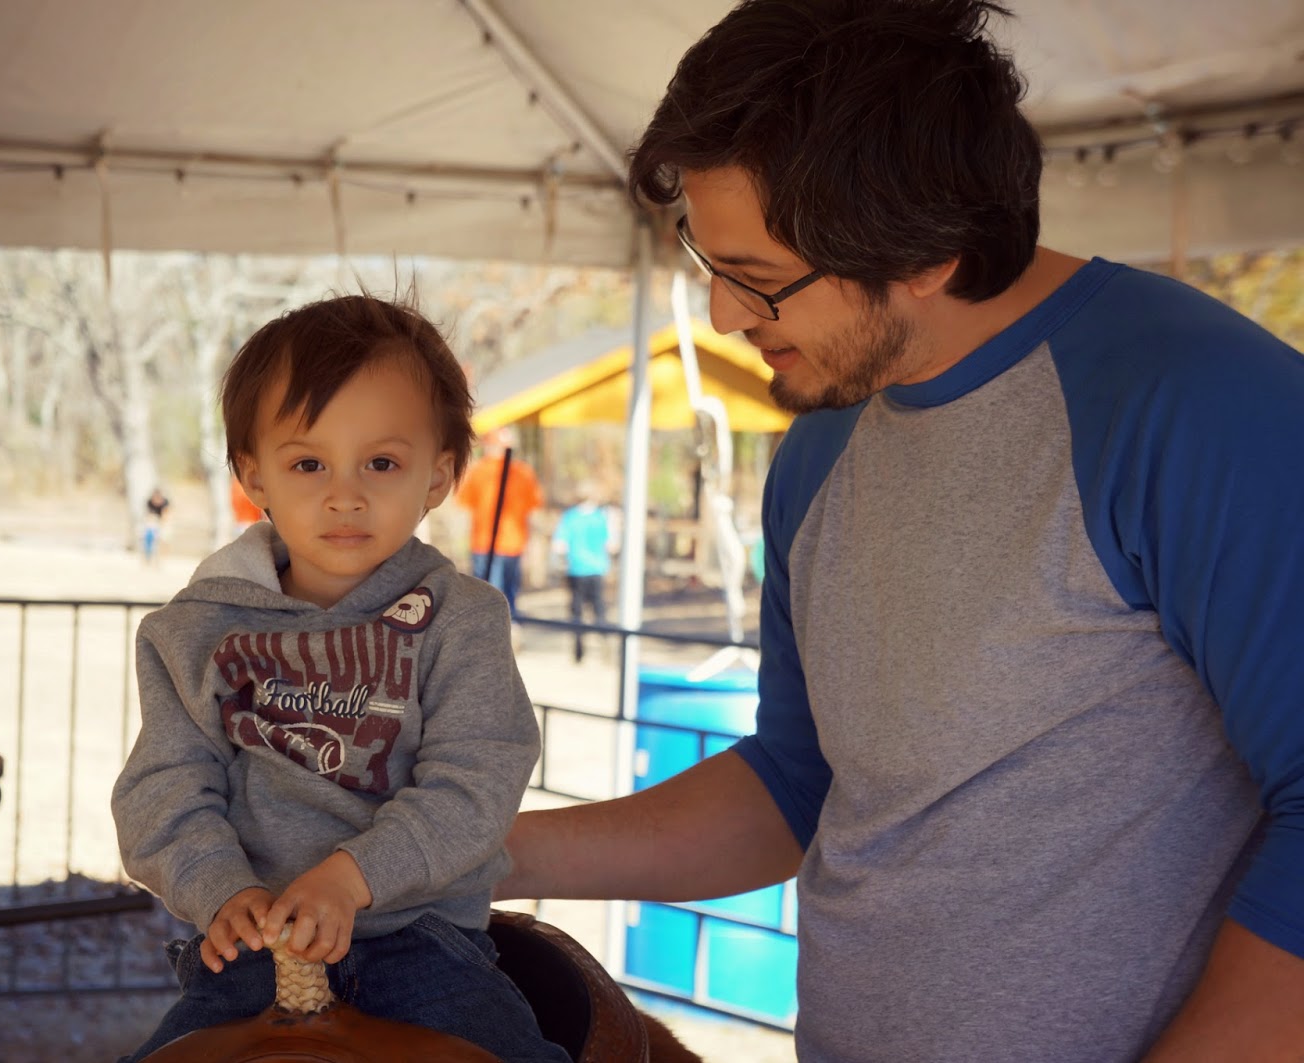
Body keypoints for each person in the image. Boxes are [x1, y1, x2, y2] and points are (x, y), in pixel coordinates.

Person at [496, 2, 1304, 1061]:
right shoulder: (822, 443)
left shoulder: (1201, 406)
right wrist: (471, 859)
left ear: (927, 251)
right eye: (708, 260)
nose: (724, 317)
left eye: (760, 279)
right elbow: (796, 784)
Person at [112, 294, 568, 1063]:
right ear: (253, 474)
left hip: (419, 939)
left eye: (381, 463)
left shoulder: (460, 619)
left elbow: (475, 783)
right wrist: (221, 888)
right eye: (308, 463)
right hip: (254, 943)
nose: (344, 494)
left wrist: (352, 879)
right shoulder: (195, 631)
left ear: (438, 476)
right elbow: (163, 788)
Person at [453, 426, 543, 618]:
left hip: (487, 544)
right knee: (507, 593)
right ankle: (508, 625)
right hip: (508, 544)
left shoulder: (478, 471)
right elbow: (533, 512)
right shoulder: (523, 472)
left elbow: (463, 506)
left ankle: (493, 628)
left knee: (488, 594)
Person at [550, 481, 616, 663]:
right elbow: (611, 545)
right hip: (597, 569)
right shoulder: (601, 517)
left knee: (577, 611)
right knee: (599, 608)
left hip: (576, 569)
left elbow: (559, 545)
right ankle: (604, 641)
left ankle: (578, 650)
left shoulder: (570, 517)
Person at [143, 486, 171, 565]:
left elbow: (166, 514)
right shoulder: (149, 502)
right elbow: (149, 515)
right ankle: (148, 558)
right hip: (153, 521)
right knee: (149, 537)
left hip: (163, 521)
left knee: (163, 539)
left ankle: (161, 559)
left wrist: (162, 524)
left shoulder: (165, 502)